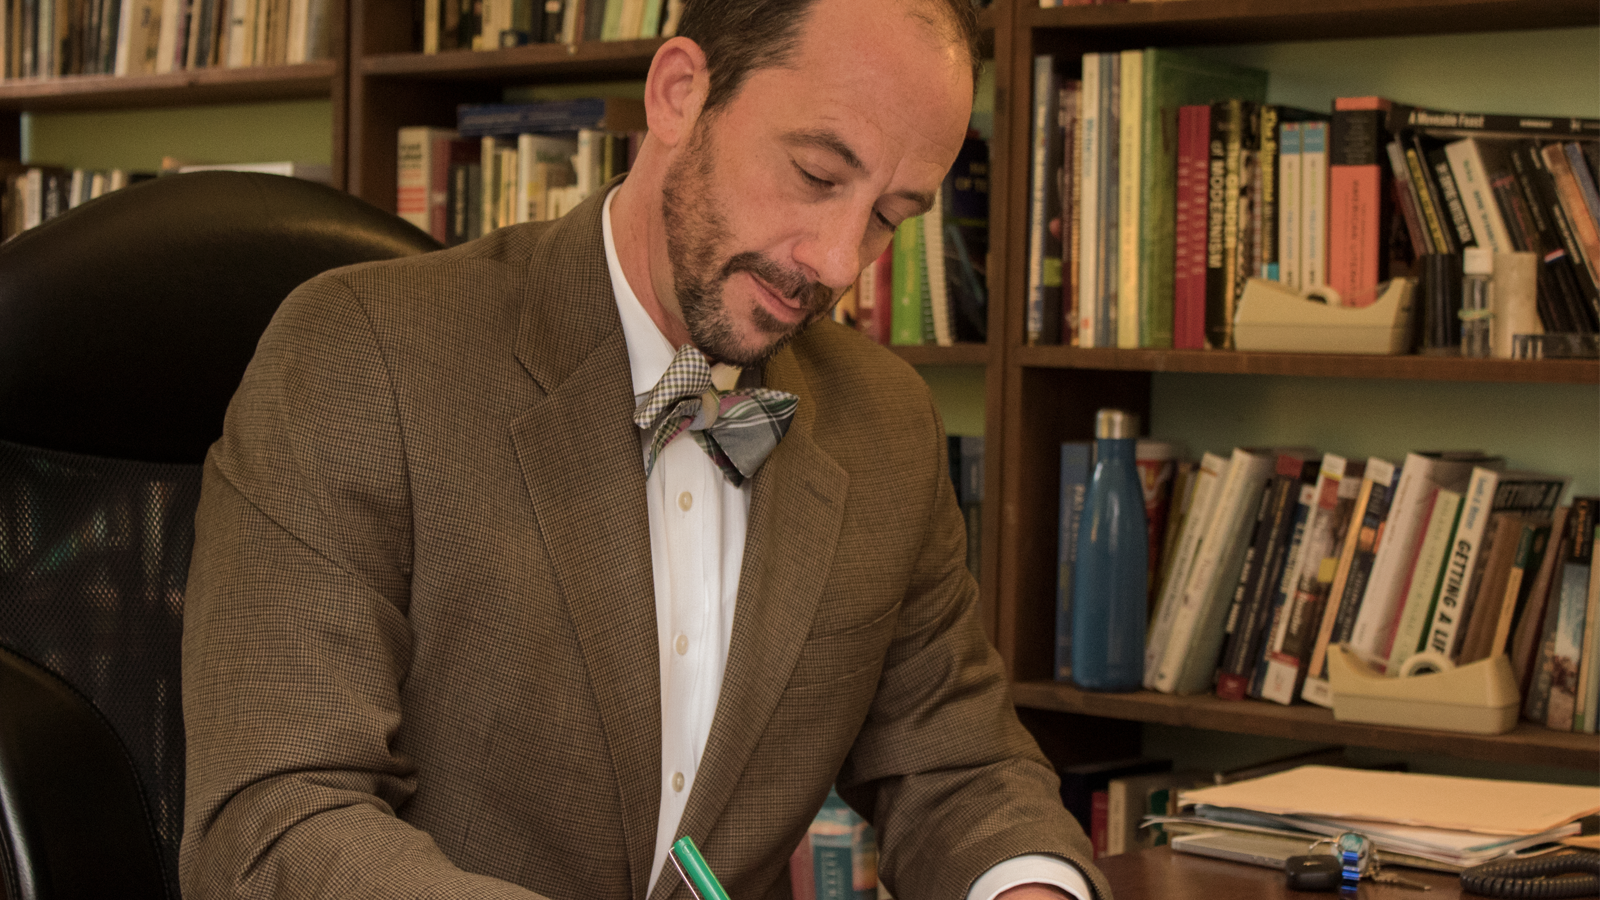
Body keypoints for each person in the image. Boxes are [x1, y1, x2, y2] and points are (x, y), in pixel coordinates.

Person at [180, 0, 1109, 897]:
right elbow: (276, 821)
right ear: (678, 93)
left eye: (889, 214)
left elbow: (959, 765)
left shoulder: (887, 424)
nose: (835, 260)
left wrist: (1028, 887)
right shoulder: (364, 356)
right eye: (819, 175)